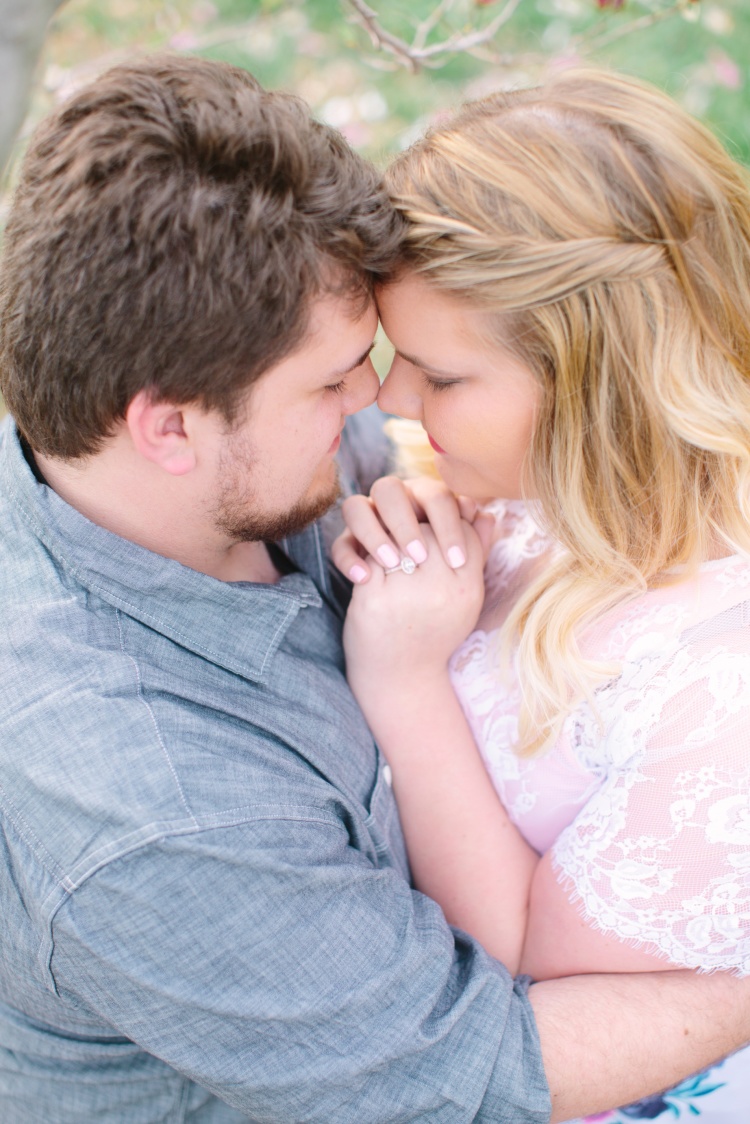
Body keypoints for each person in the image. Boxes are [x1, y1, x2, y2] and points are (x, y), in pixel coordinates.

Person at [1, 53, 749, 1124]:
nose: (381, 400)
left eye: (402, 361)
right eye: (334, 378)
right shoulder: (153, 808)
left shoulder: (161, 466)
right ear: (166, 424)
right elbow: (475, 1070)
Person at [333, 68, 750, 1122]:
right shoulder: (533, 491)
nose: (389, 399)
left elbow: (521, 983)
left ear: (598, 384)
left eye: (439, 373)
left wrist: (403, 676)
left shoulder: (721, 693)